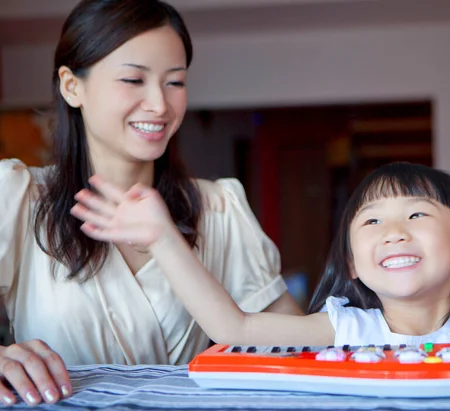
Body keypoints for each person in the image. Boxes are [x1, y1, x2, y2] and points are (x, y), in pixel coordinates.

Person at [73, 35, 450, 361]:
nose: (393, 231)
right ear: (352, 265)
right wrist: (164, 240)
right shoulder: (345, 330)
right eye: (372, 223)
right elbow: (234, 326)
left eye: (416, 213)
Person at [0, 0, 302, 406]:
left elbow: (299, 348)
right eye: (133, 80)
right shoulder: (18, 199)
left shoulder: (218, 209)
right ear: (72, 87)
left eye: (174, 82)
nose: (160, 105)